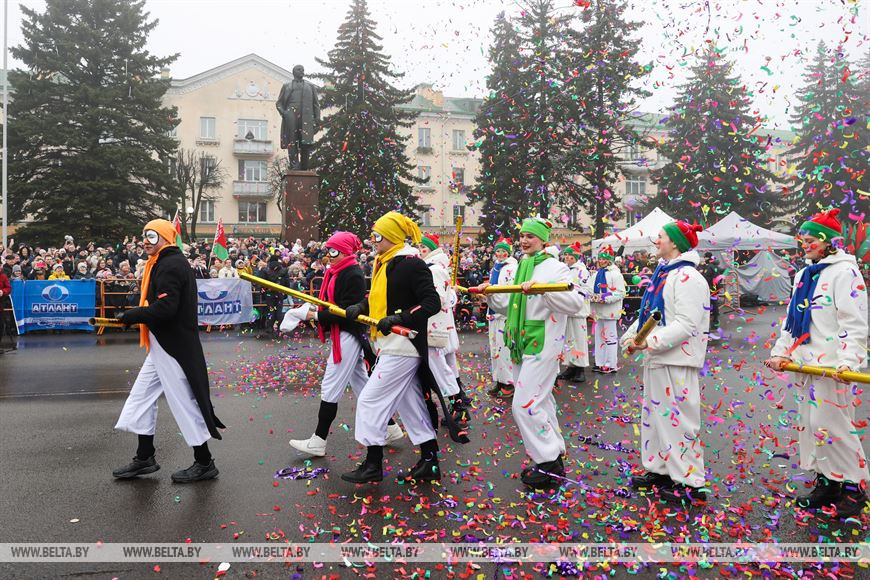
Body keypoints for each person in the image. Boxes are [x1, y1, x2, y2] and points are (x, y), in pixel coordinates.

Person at [764, 208, 868, 518]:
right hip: (806, 367)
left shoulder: (845, 272)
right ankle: (828, 484)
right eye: (803, 239)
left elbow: (854, 322)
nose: (804, 244)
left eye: (810, 240)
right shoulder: (803, 274)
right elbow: (792, 322)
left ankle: (854, 487)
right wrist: (782, 352)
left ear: (827, 242)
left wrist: (849, 362)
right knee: (813, 427)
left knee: (834, 427)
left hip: (833, 369)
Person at [113, 219, 225, 483]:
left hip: (173, 346)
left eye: (151, 237)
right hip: (162, 344)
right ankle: (145, 457)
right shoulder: (162, 262)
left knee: (183, 403)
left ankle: (204, 461)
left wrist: (134, 315)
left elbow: (167, 308)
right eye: (144, 236)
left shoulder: (170, 264)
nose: (145, 242)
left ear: (164, 237)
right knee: (141, 398)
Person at [476, 218, 584, 487]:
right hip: (519, 343)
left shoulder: (556, 268)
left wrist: (544, 291)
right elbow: (510, 306)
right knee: (542, 400)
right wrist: (488, 295)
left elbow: (574, 302)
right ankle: (554, 453)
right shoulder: (520, 266)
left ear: (543, 240)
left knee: (523, 404)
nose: (524, 241)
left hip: (543, 343)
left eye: (530, 237)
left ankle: (548, 462)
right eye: (522, 236)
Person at [341, 212, 446, 484]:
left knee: (369, 400)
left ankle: (373, 463)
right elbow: (380, 302)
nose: (373, 241)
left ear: (393, 237)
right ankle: (430, 460)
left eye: (378, 236)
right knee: (409, 403)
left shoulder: (411, 264)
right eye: (373, 235)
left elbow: (431, 302)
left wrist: (401, 318)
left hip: (404, 345)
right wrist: (361, 308)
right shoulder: (383, 262)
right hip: (387, 344)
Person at [289, 232, 404, 456]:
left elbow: (345, 314)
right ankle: (390, 428)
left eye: (334, 251)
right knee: (363, 384)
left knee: (330, 386)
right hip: (343, 334)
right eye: (328, 251)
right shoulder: (335, 271)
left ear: (345, 252)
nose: (329, 256)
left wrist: (312, 316)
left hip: (349, 336)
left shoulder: (352, 274)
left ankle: (319, 440)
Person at [621, 221, 710, 504]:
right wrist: (631, 337)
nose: (655, 240)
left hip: (677, 361)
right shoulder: (665, 274)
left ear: (674, 242)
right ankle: (659, 470)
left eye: (659, 237)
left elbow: (686, 323)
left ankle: (690, 482)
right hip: (658, 359)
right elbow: (652, 313)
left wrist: (650, 342)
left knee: (678, 420)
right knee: (655, 419)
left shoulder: (687, 277)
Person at [418, 233, 469, 423]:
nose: (420, 251)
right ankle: (458, 404)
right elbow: (451, 298)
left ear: (431, 250)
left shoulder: (434, 270)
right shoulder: (435, 268)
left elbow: (438, 300)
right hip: (440, 326)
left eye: (424, 248)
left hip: (435, 327)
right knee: (447, 368)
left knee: (441, 369)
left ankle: (458, 406)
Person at [485, 238, 518, 398]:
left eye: (503, 251)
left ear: (508, 252)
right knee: (495, 348)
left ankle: (509, 382)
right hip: (493, 312)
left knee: (504, 348)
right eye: (498, 251)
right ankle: (499, 379)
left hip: (503, 313)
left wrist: (492, 292)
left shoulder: (511, 268)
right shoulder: (495, 268)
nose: (500, 254)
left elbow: (509, 291)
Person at [557, 242, 592, 384]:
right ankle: (570, 366)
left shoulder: (582, 271)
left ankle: (580, 368)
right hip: (566, 309)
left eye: (569, 255)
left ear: (575, 257)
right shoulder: (565, 270)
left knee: (579, 340)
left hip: (578, 310)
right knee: (568, 340)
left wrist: (573, 293)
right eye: (565, 255)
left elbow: (588, 289)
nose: (567, 257)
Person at [590, 245, 625, 374]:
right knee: (599, 338)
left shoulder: (616, 275)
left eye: (604, 259)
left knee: (610, 337)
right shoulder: (595, 274)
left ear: (609, 260)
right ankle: (600, 363)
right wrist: (591, 297)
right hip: (598, 311)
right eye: (600, 258)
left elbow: (620, 292)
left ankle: (611, 364)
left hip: (610, 311)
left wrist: (605, 297)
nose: (601, 261)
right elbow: (589, 289)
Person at [699, 252, 721, 330]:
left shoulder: (711, 267)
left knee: (713, 304)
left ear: (707, 258)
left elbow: (711, 278)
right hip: (710, 288)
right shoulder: (711, 266)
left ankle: (714, 321)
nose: (704, 259)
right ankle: (713, 320)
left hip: (711, 288)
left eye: (705, 257)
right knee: (712, 304)